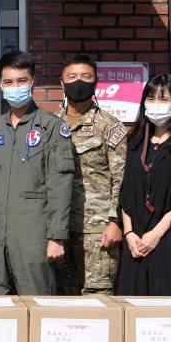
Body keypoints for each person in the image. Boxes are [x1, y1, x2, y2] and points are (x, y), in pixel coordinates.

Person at [0, 50, 74, 294]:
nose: (15, 87)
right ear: (1, 84)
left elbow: (60, 183)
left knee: (37, 303)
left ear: (32, 82)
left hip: (35, 235)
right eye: (9, 82)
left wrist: (57, 236)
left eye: (22, 81)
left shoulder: (52, 126)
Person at [118, 73, 171, 295]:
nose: (156, 105)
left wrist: (155, 235)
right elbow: (125, 192)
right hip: (135, 243)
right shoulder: (136, 143)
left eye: (163, 99)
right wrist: (129, 233)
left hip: (170, 240)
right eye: (151, 98)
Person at [54, 55, 128, 295]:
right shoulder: (49, 125)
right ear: (61, 82)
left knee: (98, 301)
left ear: (96, 82)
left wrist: (115, 222)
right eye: (72, 77)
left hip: (98, 232)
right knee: (61, 301)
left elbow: (122, 179)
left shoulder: (109, 126)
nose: (79, 82)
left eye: (86, 77)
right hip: (59, 231)